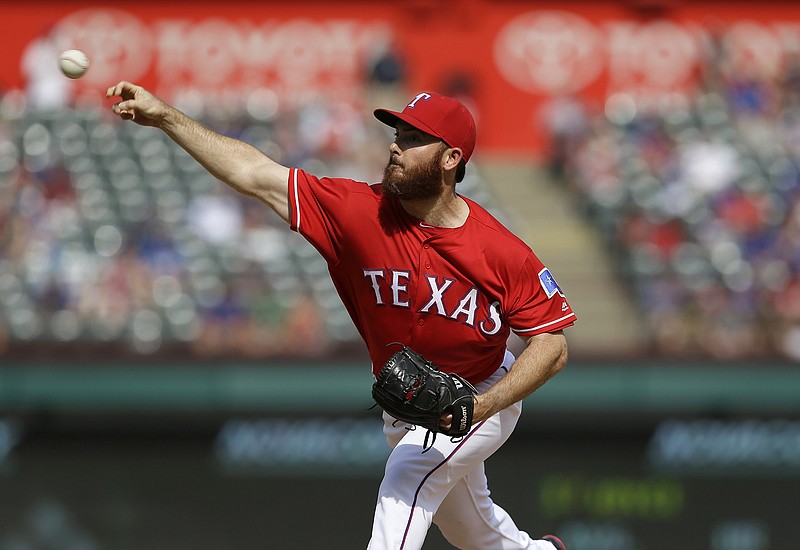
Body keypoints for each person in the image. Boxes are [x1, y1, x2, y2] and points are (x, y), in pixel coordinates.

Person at [106, 81, 575, 550]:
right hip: (405, 406)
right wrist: (167, 116)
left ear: (450, 159)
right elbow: (255, 174)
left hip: (482, 391)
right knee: (474, 532)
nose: (396, 145)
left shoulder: (500, 250)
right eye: (398, 133)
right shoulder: (356, 212)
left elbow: (552, 346)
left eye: (413, 139)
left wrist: (480, 408)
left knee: (407, 478)